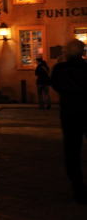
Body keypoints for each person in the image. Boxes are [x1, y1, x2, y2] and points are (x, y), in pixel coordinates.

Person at [51, 39, 87, 204]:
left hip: (69, 113)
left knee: (72, 151)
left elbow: (56, 85)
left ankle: (78, 187)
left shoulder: (60, 69)